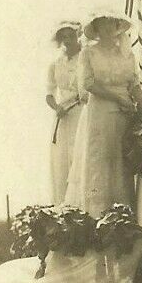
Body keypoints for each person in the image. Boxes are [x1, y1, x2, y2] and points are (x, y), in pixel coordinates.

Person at [65, 11, 142, 215]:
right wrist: (118, 98)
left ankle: (122, 213)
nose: (109, 28)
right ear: (97, 29)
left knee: (120, 159)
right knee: (101, 158)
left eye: (112, 23)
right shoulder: (89, 53)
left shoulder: (127, 53)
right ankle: (98, 212)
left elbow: (134, 82)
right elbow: (88, 84)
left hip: (124, 113)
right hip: (100, 110)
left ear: (118, 26)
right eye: (103, 24)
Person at [45, 21, 86, 203]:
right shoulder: (55, 64)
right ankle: (64, 207)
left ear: (78, 35)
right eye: (63, 37)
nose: (68, 40)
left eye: (71, 35)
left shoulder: (85, 57)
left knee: (80, 155)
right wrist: (57, 107)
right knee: (62, 162)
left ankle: (82, 204)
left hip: (82, 111)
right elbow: (49, 94)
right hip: (63, 117)